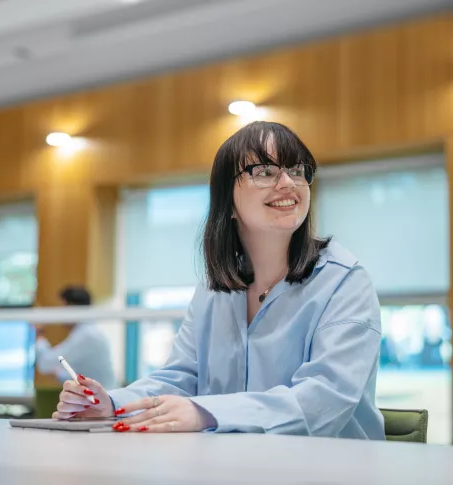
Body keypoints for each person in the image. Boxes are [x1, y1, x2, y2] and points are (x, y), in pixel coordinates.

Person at [53, 121, 385, 439]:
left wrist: (205, 413)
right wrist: (110, 404)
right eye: (265, 172)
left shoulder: (345, 281)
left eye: (297, 170)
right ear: (228, 202)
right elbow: (182, 378)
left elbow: (325, 399)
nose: (288, 182)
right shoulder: (214, 289)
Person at [35, 285, 116, 390]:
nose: (60, 313)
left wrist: (40, 334)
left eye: (62, 307)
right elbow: (77, 373)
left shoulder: (86, 336)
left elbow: (45, 364)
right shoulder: (87, 332)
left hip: (102, 400)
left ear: (72, 307)